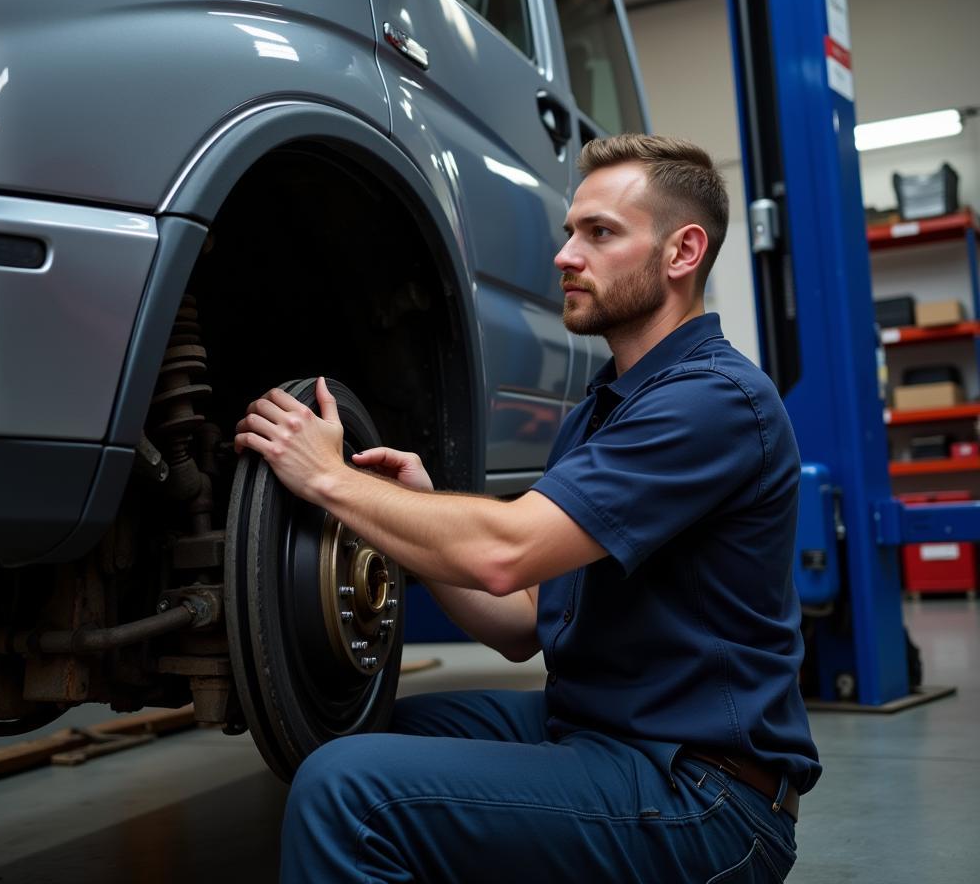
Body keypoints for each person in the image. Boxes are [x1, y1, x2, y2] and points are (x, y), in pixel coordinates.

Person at [234, 134, 821, 883]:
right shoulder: (601, 411)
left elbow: (502, 552)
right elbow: (522, 623)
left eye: (600, 233)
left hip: (705, 792)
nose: (566, 256)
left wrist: (331, 482)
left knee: (349, 790)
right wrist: (411, 508)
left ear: (682, 253)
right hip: (594, 732)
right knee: (345, 735)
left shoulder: (715, 401)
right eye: (570, 232)